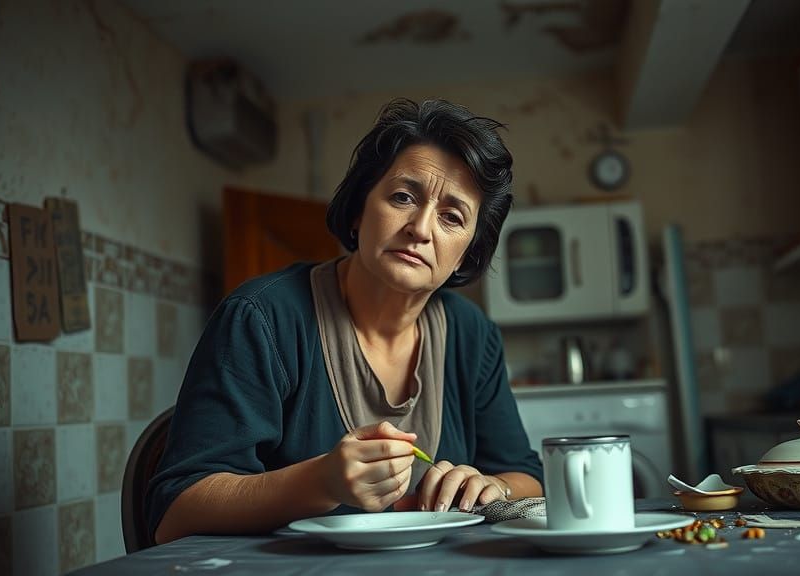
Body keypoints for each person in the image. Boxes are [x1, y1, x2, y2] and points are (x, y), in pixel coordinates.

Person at [148, 98, 543, 543]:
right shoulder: (262, 317)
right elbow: (175, 513)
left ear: (467, 254)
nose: (420, 228)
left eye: (452, 217)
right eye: (403, 197)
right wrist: (319, 482)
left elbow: (526, 477)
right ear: (358, 211)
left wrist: (493, 486)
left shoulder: (473, 335)